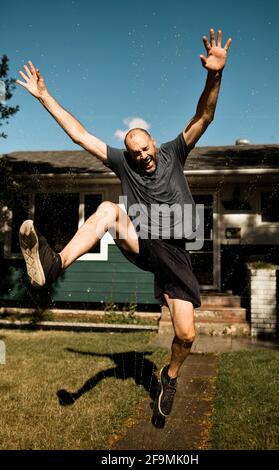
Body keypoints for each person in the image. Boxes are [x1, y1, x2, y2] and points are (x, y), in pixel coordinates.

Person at [16, 28, 231, 417]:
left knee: (187, 334)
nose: (143, 158)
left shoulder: (173, 151)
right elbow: (81, 135)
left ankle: (169, 375)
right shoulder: (122, 162)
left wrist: (214, 74)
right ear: (128, 154)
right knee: (107, 210)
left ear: (154, 144)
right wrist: (45, 96)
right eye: (135, 154)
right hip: (143, 240)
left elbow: (205, 115)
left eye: (146, 150)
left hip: (177, 253)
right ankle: (55, 264)